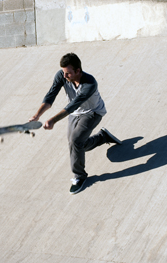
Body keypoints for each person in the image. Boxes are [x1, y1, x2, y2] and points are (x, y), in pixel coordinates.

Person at [30, 53, 121, 194]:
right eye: (63, 72)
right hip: (74, 114)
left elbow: (72, 105)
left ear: (78, 71)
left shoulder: (90, 83)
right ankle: (102, 137)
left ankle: (79, 176)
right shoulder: (62, 75)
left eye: (68, 73)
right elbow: (50, 96)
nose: (64, 76)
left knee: (75, 141)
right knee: (77, 146)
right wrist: (37, 115)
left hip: (92, 112)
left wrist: (52, 120)